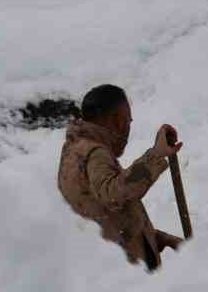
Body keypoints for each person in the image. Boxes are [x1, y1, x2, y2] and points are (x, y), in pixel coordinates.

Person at [58, 84, 184, 271]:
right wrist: (156, 155)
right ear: (118, 121)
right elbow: (113, 195)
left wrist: (158, 239)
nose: (128, 129)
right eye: (128, 121)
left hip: (103, 267)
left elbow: (105, 218)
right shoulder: (95, 153)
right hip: (121, 277)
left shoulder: (75, 150)